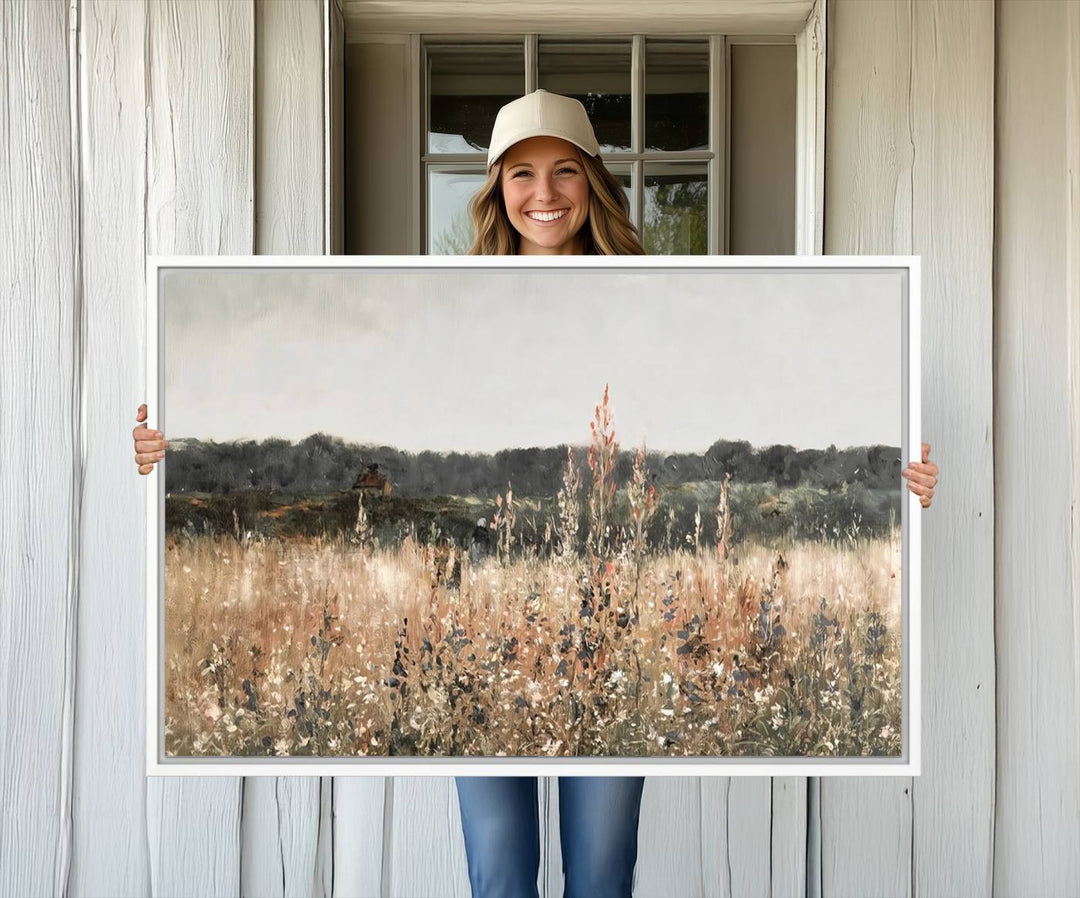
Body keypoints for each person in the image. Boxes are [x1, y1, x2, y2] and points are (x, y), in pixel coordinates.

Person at [130, 89, 940, 898]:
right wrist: (177, 452)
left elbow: (739, 397)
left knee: (600, 875)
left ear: (592, 182)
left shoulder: (655, 301)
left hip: (615, 612)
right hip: (477, 621)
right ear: (496, 189)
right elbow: (366, 402)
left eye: (563, 172)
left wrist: (890, 474)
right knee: (500, 874)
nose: (544, 194)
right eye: (522, 174)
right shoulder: (451, 309)